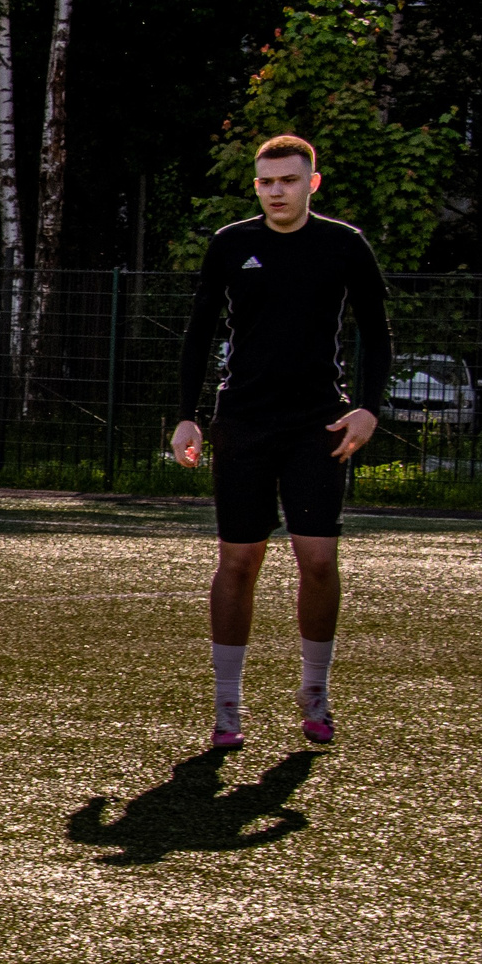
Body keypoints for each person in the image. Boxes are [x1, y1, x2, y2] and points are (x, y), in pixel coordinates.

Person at [172, 133, 390, 750]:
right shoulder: (232, 244)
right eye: (266, 182)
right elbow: (199, 332)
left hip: (318, 424)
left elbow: (377, 333)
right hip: (242, 421)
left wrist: (368, 408)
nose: (276, 191)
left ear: (311, 183)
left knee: (318, 558)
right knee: (239, 562)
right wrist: (186, 415)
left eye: (288, 180)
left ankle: (314, 694)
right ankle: (226, 706)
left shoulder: (343, 245)